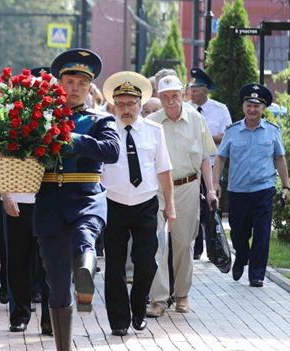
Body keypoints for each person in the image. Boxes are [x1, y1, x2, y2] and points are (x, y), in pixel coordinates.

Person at [34, 48, 119, 350]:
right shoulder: (37, 118)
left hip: (85, 196)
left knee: (86, 237)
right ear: (58, 83)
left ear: (89, 87)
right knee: (56, 285)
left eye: (82, 83)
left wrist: (70, 138)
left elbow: (111, 151)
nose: (75, 88)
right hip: (49, 200)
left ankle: (85, 273)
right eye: (69, 81)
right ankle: (62, 345)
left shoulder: (101, 120)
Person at [101, 71, 175, 336]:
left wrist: (171, 206)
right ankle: (119, 320)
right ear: (113, 105)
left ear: (140, 104)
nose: (126, 109)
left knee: (147, 261)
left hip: (146, 203)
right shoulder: (106, 129)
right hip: (114, 203)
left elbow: (164, 170)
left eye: (131, 103)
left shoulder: (154, 132)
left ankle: (138, 308)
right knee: (115, 264)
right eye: (120, 104)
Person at [145, 75, 217, 316]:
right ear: (159, 98)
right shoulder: (152, 122)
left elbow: (206, 157)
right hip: (157, 187)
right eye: (165, 97)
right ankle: (158, 299)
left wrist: (210, 189)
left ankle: (182, 295)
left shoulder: (197, 120)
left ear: (183, 95)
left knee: (184, 243)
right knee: (157, 243)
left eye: (174, 96)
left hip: (187, 185)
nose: (170, 101)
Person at [213, 83, 290, 288]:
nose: (252, 109)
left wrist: (286, 186)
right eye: (249, 105)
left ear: (263, 109)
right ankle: (241, 257)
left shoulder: (272, 131)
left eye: (257, 105)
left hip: (263, 189)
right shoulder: (232, 131)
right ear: (244, 106)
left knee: (262, 233)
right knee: (238, 233)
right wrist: (215, 184)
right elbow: (220, 158)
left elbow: (280, 158)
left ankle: (257, 275)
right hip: (238, 191)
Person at [188, 68, 232, 260]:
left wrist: (205, 137)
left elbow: (227, 135)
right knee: (193, 207)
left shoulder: (220, 109)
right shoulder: (186, 108)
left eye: (196, 88)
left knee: (210, 207)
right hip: (191, 166)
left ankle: (213, 249)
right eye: (191, 88)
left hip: (212, 166)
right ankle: (196, 250)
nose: (192, 92)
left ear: (205, 89)